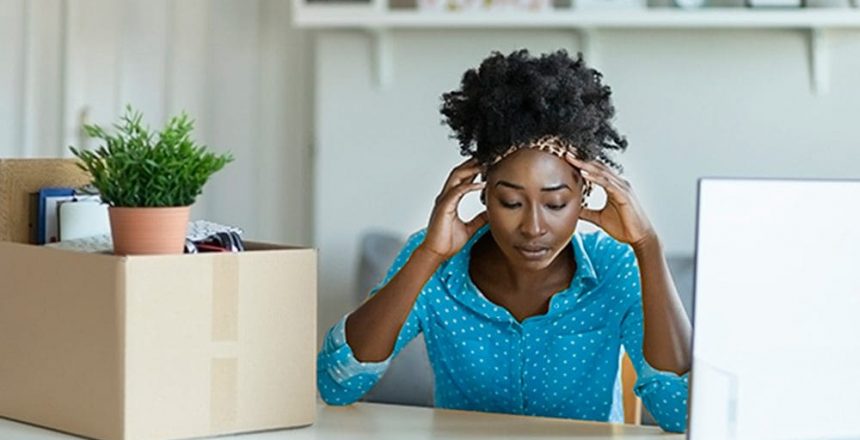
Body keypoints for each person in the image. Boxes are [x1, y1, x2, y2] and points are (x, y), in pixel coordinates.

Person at [317, 49, 691, 433]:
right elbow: (336, 384)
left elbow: (681, 413)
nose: (533, 227)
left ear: (584, 194)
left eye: (555, 203)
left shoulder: (615, 267)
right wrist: (428, 255)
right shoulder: (435, 262)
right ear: (482, 193)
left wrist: (647, 245)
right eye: (510, 201)